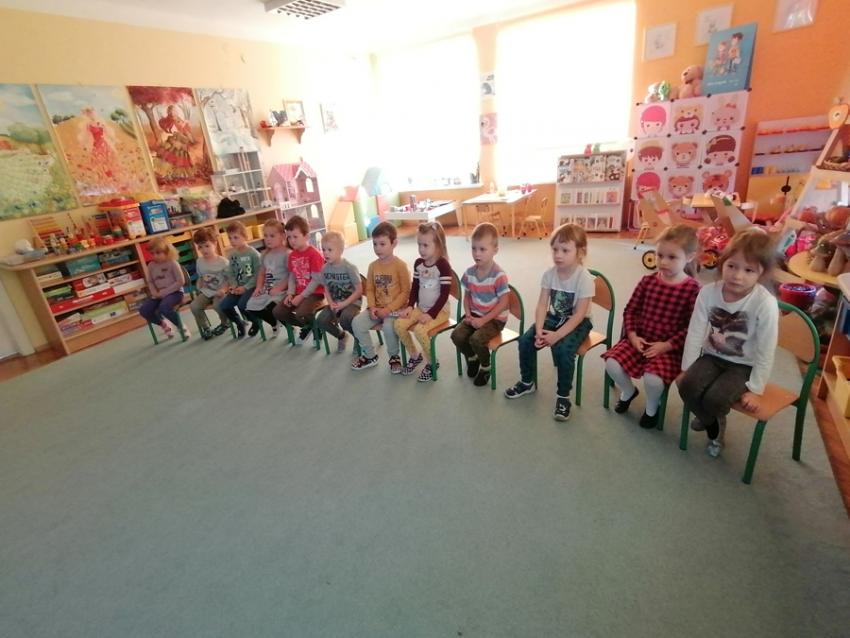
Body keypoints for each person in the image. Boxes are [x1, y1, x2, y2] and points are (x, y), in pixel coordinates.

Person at [679, 230, 779, 458]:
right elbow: (695, 332)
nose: (737, 276)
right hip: (712, 356)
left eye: (749, 270)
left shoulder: (765, 303)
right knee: (687, 386)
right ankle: (709, 419)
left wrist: (756, 389)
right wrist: (687, 368)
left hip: (744, 366)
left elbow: (766, 349)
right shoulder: (708, 292)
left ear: (761, 272)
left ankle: (715, 430)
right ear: (722, 263)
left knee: (715, 398)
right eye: (732, 266)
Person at [601, 225, 701, 428]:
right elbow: (630, 310)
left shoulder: (693, 289)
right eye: (660, 255)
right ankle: (629, 391)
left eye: (672, 257)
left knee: (653, 380)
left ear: (689, 257)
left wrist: (667, 345)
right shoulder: (647, 281)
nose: (663, 262)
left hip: (668, 350)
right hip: (640, 340)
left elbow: (693, 328)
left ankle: (652, 408)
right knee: (611, 364)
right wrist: (632, 336)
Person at [504, 224, 595, 421]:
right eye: (555, 249)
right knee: (525, 340)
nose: (558, 255)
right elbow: (541, 304)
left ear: (580, 252)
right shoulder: (549, 274)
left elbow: (579, 315)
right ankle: (527, 382)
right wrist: (539, 329)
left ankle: (563, 397)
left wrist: (557, 336)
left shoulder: (585, 278)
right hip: (554, 317)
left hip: (579, 322)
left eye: (565, 250)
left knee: (563, 350)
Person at [451, 222, 510, 387]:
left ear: (495, 250)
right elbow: (467, 296)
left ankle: (486, 366)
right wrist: (468, 314)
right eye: (474, 248)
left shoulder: (499, 275)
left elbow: (504, 302)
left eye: (482, 249)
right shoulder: (469, 273)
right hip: (475, 314)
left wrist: (483, 321)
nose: (477, 253)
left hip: (495, 319)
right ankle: (472, 358)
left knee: (476, 339)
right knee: (456, 335)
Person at [395, 221, 453, 382]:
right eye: (419, 244)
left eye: (425, 245)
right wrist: (409, 306)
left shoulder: (443, 265)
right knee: (399, 325)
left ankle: (433, 362)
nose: (421, 249)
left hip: (439, 311)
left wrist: (431, 314)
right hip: (421, 308)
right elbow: (415, 287)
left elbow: (444, 295)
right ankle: (415, 356)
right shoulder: (418, 264)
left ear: (438, 245)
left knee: (420, 331)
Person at [350, 221, 411, 371]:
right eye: (375, 244)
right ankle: (370, 356)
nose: (378, 248)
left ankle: (394, 357)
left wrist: (388, 309)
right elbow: (370, 289)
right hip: (376, 309)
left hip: (394, 310)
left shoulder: (400, 266)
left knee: (389, 327)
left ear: (394, 243)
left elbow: (405, 292)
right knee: (357, 323)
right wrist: (371, 307)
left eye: (382, 244)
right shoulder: (373, 266)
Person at [273, 216, 325, 346]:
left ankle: (314, 327)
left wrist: (301, 297)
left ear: (306, 236)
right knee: (278, 311)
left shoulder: (314, 254)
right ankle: (309, 326)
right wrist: (290, 293)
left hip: (315, 293)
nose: (292, 240)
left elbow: (316, 280)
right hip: (298, 292)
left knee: (301, 312)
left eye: (295, 237)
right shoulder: (292, 255)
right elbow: (292, 277)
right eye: (289, 237)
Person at [316, 231, 362, 353]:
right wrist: (330, 303)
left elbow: (359, 290)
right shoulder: (324, 269)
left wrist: (344, 304)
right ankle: (341, 336)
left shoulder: (349, 267)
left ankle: (359, 338)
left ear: (340, 250)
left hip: (352, 302)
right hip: (335, 302)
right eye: (323, 249)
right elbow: (326, 288)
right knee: (321, 320)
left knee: (345, 318)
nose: (325, 253)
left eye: (329, 250)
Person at [244, 220, 290, 338]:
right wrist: (258, 288)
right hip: (267, 289)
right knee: (251, 305)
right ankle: (274, 323)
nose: (268, 239)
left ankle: (289, 326)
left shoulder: (287, 254)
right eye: (265, 236)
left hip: (282, 290)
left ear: (283, 236)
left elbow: (291, 276)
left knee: (272, 307)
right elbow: (261, 274)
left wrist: (279, 288)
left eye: (272, 236)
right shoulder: (265, 255)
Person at [139, 236, 189, 340]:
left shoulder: (173, 263)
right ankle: (164, 324)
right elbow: (150, 281)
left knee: (164, 307)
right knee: (144, 310)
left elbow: (180, 281)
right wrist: (154, 293)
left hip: (175, 293)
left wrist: (164, 292)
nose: (155, 256)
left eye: (158, 253)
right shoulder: (151, 265)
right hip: (158, 295)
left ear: (166, 251)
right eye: (152, 253)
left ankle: (180, 325)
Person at [220, 221, 261, 338]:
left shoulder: (253, 254)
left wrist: (245, 287)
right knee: (224, 306)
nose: (232, 241)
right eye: (230, 238)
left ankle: (256, 321)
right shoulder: (232, 255)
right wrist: (233, 285)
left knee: (242, 304)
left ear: (245, 236)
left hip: (252, 286)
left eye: (235, 237)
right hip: (238, 287)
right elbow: (231, 273)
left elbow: (258, 275)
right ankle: (240, 323)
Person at [189, 227, 230, 340]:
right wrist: (199, 285)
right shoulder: (199, 261)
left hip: (221, 292)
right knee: (194, 306)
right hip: (207, 292)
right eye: (200, 247)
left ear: (215, 244)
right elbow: (201, 277)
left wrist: (224, 290)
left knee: (218, 305)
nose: (204, 250)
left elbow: (230, 280)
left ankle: (225, 323)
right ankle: (206, 327)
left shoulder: (223, 262)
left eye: (207, 246)